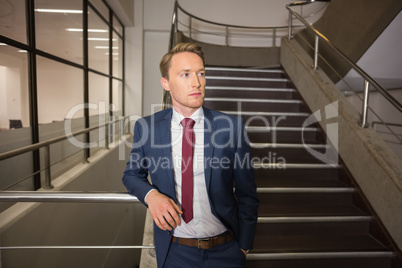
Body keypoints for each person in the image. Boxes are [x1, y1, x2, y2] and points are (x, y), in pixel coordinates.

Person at [123, 43, 259, 268]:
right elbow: (131, 175)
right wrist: (151, 195)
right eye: (185, 74)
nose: (197, 82)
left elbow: (247, 193)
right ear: (166, 83)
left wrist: (244, 246)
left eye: (201, 73)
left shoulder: (231, 127)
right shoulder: (147, 127)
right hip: (175, 252)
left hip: (226, 250)